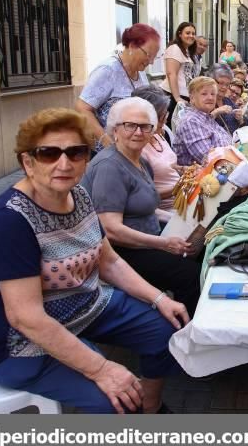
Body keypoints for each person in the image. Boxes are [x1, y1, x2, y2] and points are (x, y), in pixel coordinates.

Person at [0, 108, 189, 413]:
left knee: (166, 330)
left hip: (86, 306)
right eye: (48, 153)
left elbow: (109, 262)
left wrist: (158, 299)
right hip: (21, 343)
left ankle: (149, 409)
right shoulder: (9, 221)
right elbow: (26, 318)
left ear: (86, 159)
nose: (64, 163)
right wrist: (101, 369)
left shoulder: (79, 196)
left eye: (76, 153)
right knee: (115, 401)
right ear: (27, 162)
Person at [81, 97, 201, 314]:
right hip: (122, 252)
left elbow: (145, 207)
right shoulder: (110, 166)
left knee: (200, 248)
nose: (138, 132)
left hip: (148, 238)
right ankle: (185, 331)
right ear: (115, 129)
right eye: (130, 125)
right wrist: (163, 243)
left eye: (145, 126)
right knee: (189, 274)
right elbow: (111, 230)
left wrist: (181, 223)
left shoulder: (141, 161)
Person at [76, 23, 158, 152]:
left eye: (154, 56)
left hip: (132, 150)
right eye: (148, 55)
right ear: (132, 46)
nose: (151, 61)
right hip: (108, 152)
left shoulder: (140, 72)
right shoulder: (108, 70)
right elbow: (83, 108)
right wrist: (106, 141)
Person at [131, 86, 179, 212]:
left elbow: (169, 166)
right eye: (162, 114)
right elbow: (144, 197)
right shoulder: (138, 148)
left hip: (183, 200)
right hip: (169, 210)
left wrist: (185, 171)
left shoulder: (160, 134)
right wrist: (181, 186)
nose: (166, 117)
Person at [172, 76, 233, 166]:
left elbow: (228, 142)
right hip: (201, 176)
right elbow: (209, 159)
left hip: (221, 169)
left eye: (213, 94)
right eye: (204, 94)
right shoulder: (191, 122)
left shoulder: (207, 117)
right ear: (192, 98)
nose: (210, 98)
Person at [159, 22, 197, 120]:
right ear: (180, 34)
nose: (191, 36)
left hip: (184, 96)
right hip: (172, 96)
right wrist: (177, 98)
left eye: (193, 33)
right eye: (187, 33)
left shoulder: (187, 51)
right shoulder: (174, 48)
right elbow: (172, 73)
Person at [212, 65, 243, 135]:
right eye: (221, 83)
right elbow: (202, 124)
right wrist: (216, 112)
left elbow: (243, 125)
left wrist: (240, 119)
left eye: (227, 84)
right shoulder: (207, 102)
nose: (224, 87)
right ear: (212, 81)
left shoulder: (228, 101)